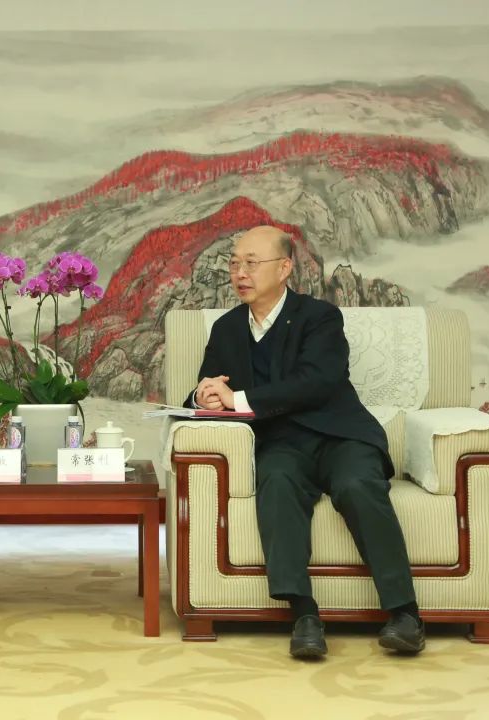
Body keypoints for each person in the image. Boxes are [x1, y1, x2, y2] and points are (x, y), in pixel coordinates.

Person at [187, 225, 424, 659]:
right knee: (276, 483)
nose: (240, 273)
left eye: (251, 263)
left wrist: (238, 399)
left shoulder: (320, 317)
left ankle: (405, 614)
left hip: (340, 435)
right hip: (281, 443)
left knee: (356, 485)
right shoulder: (227, 329)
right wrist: (203, 396)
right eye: (234, 263)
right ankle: (304, 616)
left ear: (284, 268)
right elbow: (207, 384)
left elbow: (317, 381)